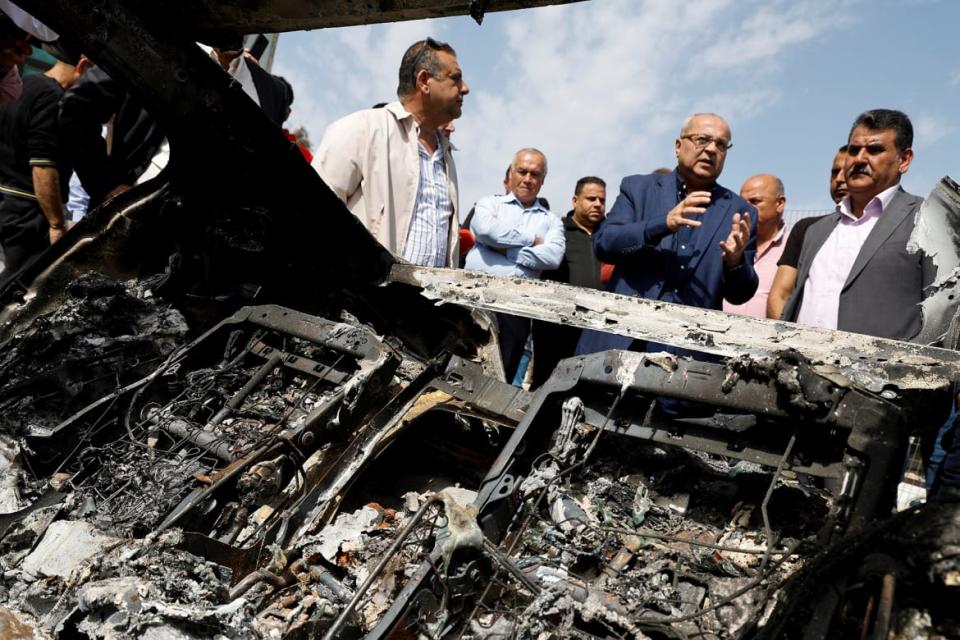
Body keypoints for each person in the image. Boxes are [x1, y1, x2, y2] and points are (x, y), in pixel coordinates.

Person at [577, 112, 757, 356]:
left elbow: (740, 294)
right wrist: (661, 224)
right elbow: (605, 244)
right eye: (702, 139)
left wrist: (735, 264)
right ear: (678, 145)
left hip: (688, 357)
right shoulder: (638, 188)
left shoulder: (740, 212)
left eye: (721, 144)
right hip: (618, 342)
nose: (712, 149)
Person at [313, 38, 468, 267]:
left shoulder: (446, 155)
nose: (465, 87)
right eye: (455, 78)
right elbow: (313, 213)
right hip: (360, 297)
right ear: (424, 81)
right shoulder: (362, 129)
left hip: (426, 300)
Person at [782, 109, 931, 340]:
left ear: (904, 160)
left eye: (874, 149)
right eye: (854, 150)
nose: (860, 159)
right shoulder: (816, 232)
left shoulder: (928, 220)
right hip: (798, 370)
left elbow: (945, 316)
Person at [465, 148, 564, 381]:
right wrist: (530, 240)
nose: (528, 179)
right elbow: (486, 230)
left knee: (503, 378)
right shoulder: (489, 203)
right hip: (473, 297)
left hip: (516, 307)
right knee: (463, 369)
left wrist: (504, 248)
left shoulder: (551, 220)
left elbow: (552, 258)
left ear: (542, 181)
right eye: (523, 171)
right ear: (511, 173)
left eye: (535, 174)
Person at [0, 53, 91, 272]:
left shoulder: (24, 84)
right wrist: (56, 224)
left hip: (5, 200)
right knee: (20, 289)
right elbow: (42, 166)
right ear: (83, 65)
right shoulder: (53, 97)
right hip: (27, 213)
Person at [531, 176, 607, 387]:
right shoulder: (557, 232)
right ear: (575, 200)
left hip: (599, 326)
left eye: (602, 200)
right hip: (556, 325)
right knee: (547, 383)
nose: (598, 205)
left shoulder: (610, 235)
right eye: (591, 199)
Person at [766, 146, 847, 319]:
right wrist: (784, 342)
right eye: (835, 172)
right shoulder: (806, 229)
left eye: (848, 171)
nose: (839, 179)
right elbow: (779, 295)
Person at [723, 174, 787, 318]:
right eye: (742, 202)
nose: (745, 208)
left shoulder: (795, 248)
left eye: (755, 201)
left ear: (780, 203)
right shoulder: (727, 245)